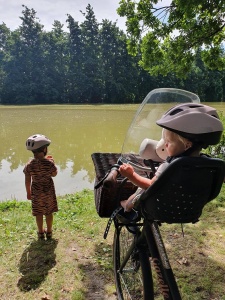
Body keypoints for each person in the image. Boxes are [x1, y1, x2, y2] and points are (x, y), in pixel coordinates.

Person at [119, 103, 224, 212]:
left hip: (163, 206)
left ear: (187, 145)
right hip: (191, 207)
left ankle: (127, 205)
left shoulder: (170, 166)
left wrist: (131, 175)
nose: (165, 145)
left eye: (168, 142)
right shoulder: (210, 165)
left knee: (140, 190)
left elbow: (150, 185)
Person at [23, 134, 58, 240]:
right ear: (44, 149)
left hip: (36, 192)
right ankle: (50, 231)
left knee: (38, 213)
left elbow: (27, 179)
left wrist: (28, 192)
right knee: (49, 212)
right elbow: (54, 174)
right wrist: (52, 162)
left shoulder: (29, 165)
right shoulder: (49, 163)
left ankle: (41, 232)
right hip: (48, 192)